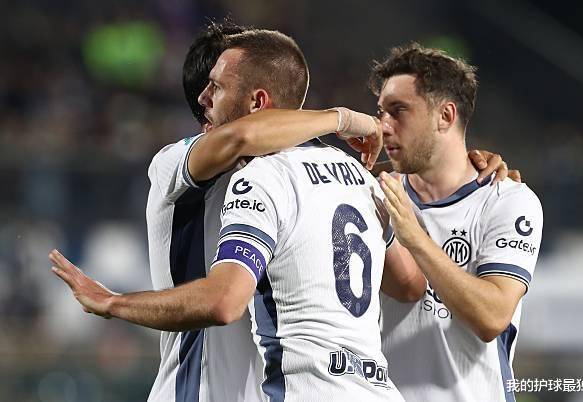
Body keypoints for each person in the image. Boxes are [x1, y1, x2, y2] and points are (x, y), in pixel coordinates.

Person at [52, 24, 512, 401]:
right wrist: (340, 119)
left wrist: (465, 167)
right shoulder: (179, 163)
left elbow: (225, 300)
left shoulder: (275, 176)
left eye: (217, 87)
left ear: (257, 102)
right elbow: (241, 138)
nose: (205, 99)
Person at [374, 43, 543, 402]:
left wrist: (415, 238)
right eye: (381, 112)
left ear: (446, 116)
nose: (383, 126)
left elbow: (492, 317)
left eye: (398, 111)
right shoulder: (373, 196)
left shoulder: (507, 201)